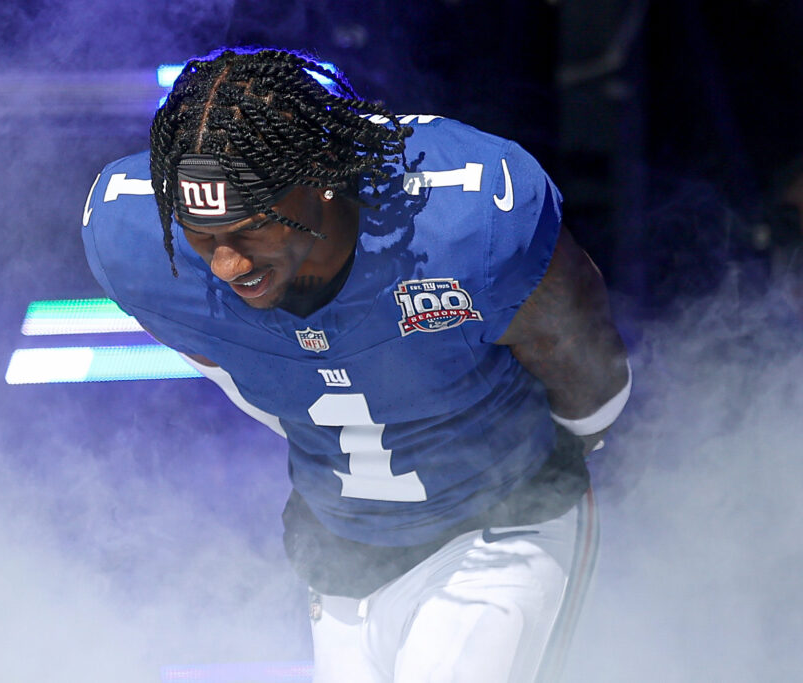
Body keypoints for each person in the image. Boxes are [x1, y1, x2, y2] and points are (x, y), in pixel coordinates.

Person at [81, 48, 630, 682]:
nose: (227, 264)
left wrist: (567, 444)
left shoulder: (462, 217)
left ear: (322, 177)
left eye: (252, 228)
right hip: (341, 551)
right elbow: (230, 367)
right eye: (202, 236)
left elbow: (585, 361)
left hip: (500, 523)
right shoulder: (133, 242)